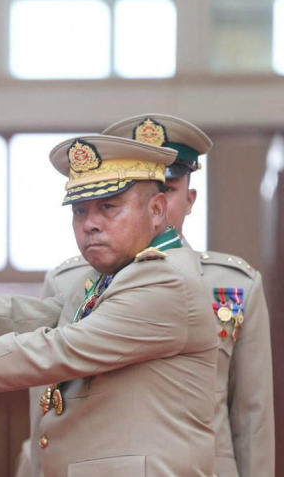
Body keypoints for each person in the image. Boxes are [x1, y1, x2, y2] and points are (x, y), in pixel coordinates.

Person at [0, 134, 218, 477]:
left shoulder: (164, 279)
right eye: (80, 210)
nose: (91, 224)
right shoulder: (117, 273)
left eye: (109, 206)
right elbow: (41, 319)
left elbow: (62, 347)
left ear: (157, 210)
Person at [102, 114, 274, 477]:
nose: (155, 205)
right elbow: (48, 413)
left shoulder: (236, 286)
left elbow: (251, 417)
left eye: (167, 189)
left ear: (190, 199)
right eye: (134, 191)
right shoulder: (73, 283)